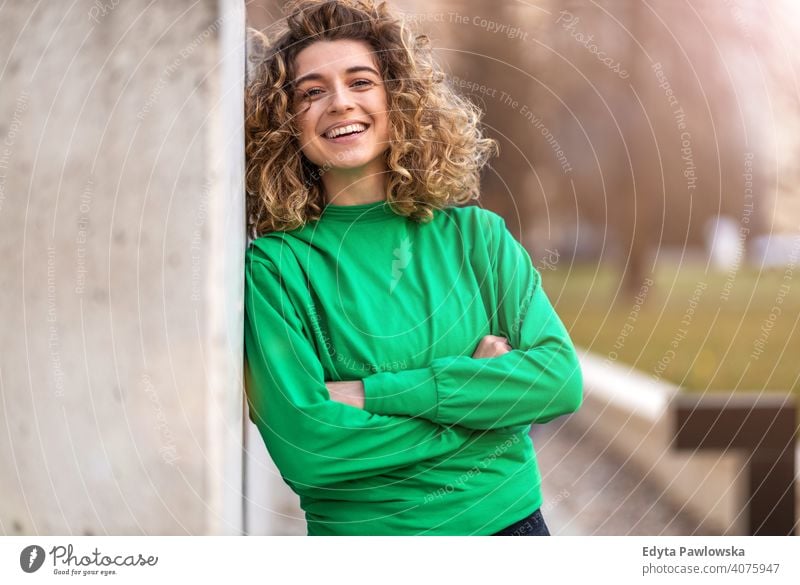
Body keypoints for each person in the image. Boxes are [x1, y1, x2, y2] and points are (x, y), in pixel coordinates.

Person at [243, 0, 583, 536]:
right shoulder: (276, 267)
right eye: (312, 91)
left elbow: (559, 382)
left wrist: (374, 395)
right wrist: (484, 415)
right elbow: (309, 448)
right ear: (286, 121)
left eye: (360, 81)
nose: (338, 103)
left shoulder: (479, 238)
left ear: (396, 97)